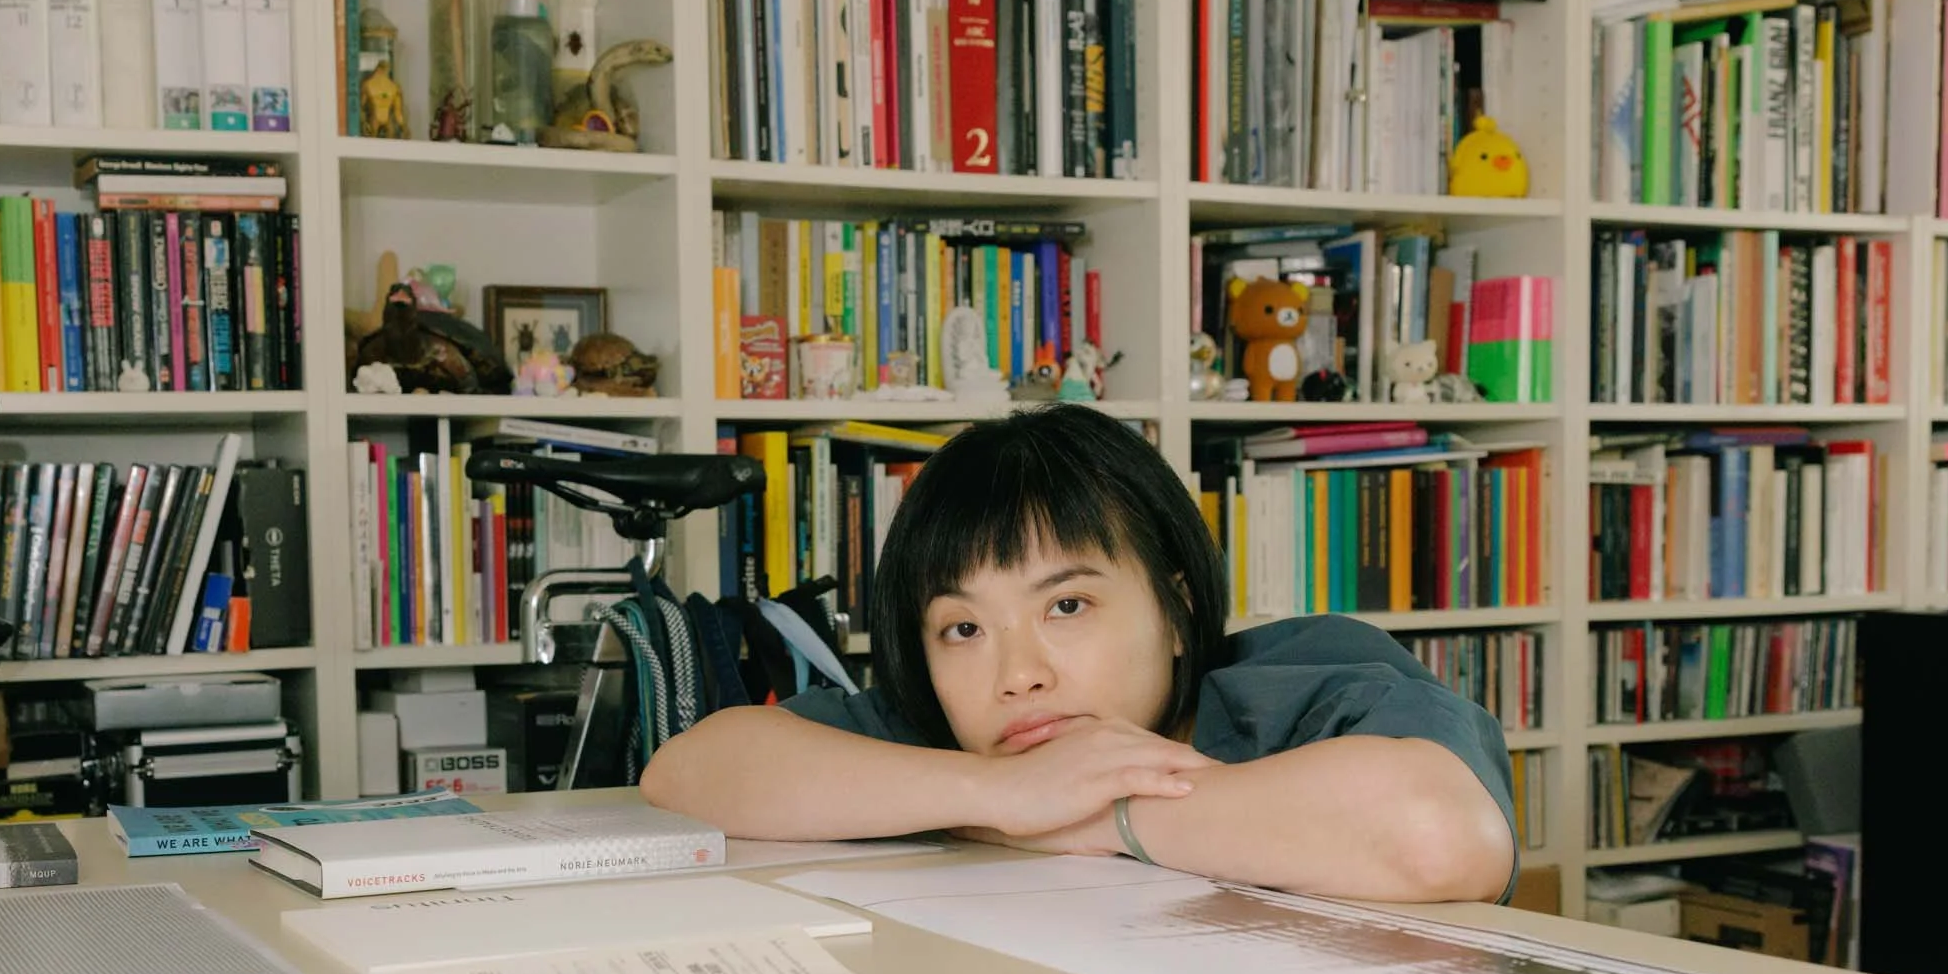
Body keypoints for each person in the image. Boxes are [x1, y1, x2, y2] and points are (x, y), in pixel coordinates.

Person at [641, 404, 1515, 902]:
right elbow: (687, 773)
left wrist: (1082, 812)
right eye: (964, 628)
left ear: (1175, 609)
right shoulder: (956, 737)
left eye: (1066, 604)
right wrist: (996, 790)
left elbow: (1438, 835)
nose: (1018, 674)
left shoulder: (1307, 678)